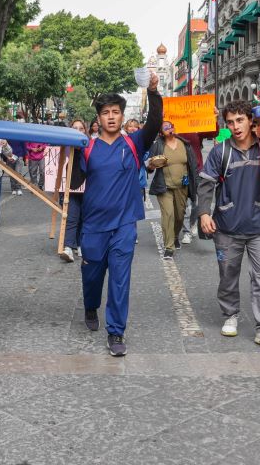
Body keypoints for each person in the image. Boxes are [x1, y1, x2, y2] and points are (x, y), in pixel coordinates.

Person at [72, 72, 162, 357]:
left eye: (116, 112)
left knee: (120, 279)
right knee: (92, 277)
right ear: (97, 119)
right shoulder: (86, 148)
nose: (111, 117)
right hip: (93, 227)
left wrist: (154, 92)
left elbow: (155, 123)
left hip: (124, 226)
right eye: (105, 113)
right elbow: (74, 185)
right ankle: (90, 305)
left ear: (122, 116)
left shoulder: (134, 144)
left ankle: (116, 332)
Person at [196, 101, 260, 350]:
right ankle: (230, 314)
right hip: (226, 227)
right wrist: (204, 213)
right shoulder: (220, 152)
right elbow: (206, 184)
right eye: (231, 122)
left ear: (250, 121)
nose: (235, 126)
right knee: (228, 274)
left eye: (240, 120)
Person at [147, 121, 197, 259]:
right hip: (164, 187)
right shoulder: (158, 145)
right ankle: (169, 246)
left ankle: (175, 236)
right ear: (161, 132)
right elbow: (149, 165)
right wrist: (151, 166)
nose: (169, 129)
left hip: (182, 186)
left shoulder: (184, 144)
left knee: (180, 215)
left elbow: (192, 164)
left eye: (171, 126)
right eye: (166, 127)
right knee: (168, 215)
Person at [60, 119, 88, 263]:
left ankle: (81, 244)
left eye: (81, 128)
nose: (78, 130)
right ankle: (68, 247)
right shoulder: (63, 148)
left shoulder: (90, 148)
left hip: (87, 189)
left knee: (84, 218)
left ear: (85, 131)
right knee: (71, 217)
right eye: (74, 128)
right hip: (68, 189)